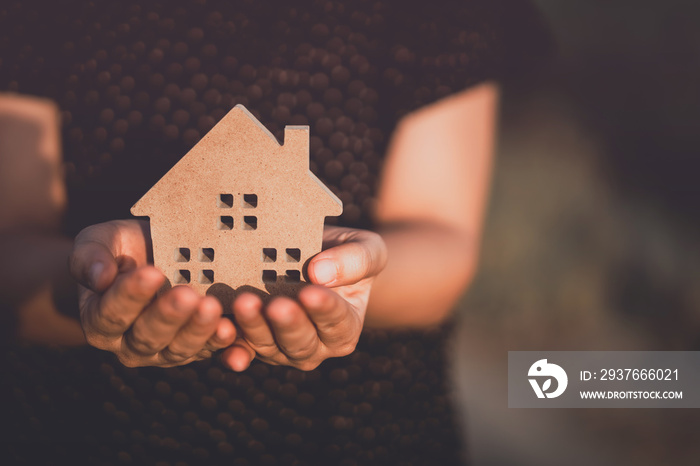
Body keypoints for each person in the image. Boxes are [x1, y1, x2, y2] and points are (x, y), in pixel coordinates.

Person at [1, 1, 550, 463]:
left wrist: (349, 277)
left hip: (359, 428)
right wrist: (93, 285)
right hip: (80, 425)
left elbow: (443, 240)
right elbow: (12, 240)